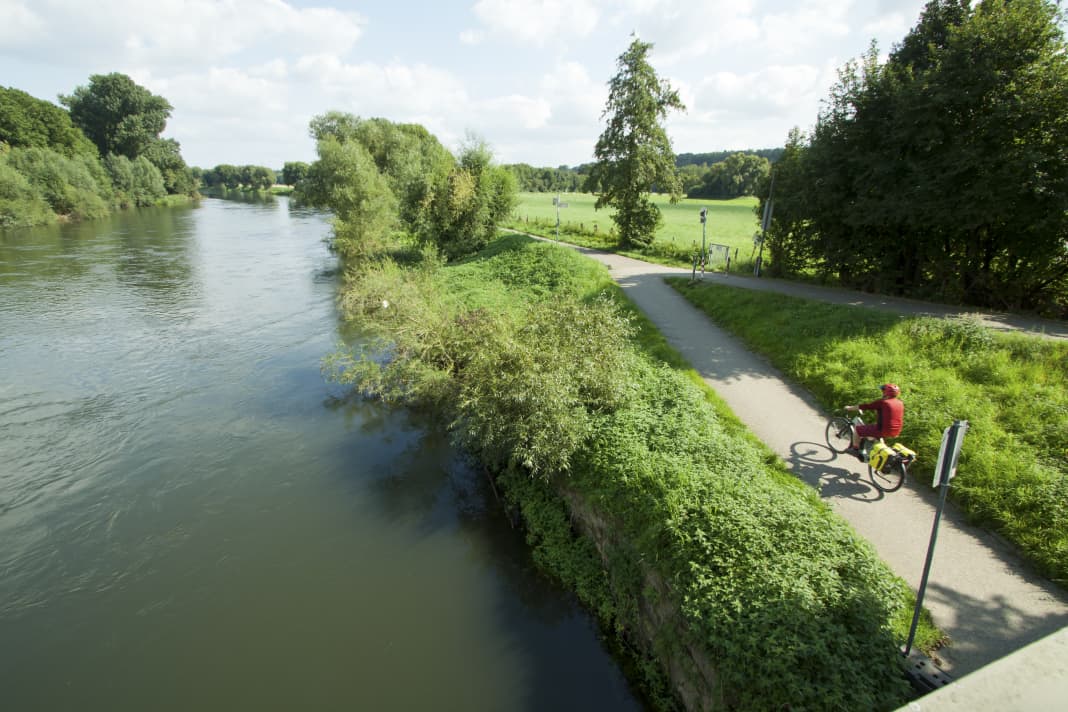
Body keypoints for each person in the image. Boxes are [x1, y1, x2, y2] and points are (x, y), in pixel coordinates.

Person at [845, 383, 904, 460]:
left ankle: (855, 449)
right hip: (896, 431)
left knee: (857, 429)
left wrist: (850, 408)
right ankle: (880, 452)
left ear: (886, 393)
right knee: (872, 432)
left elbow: (866, 406)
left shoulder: (883, 402)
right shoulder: (900, 403)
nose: (882, 392)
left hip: (882, 429)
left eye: (883, 391)